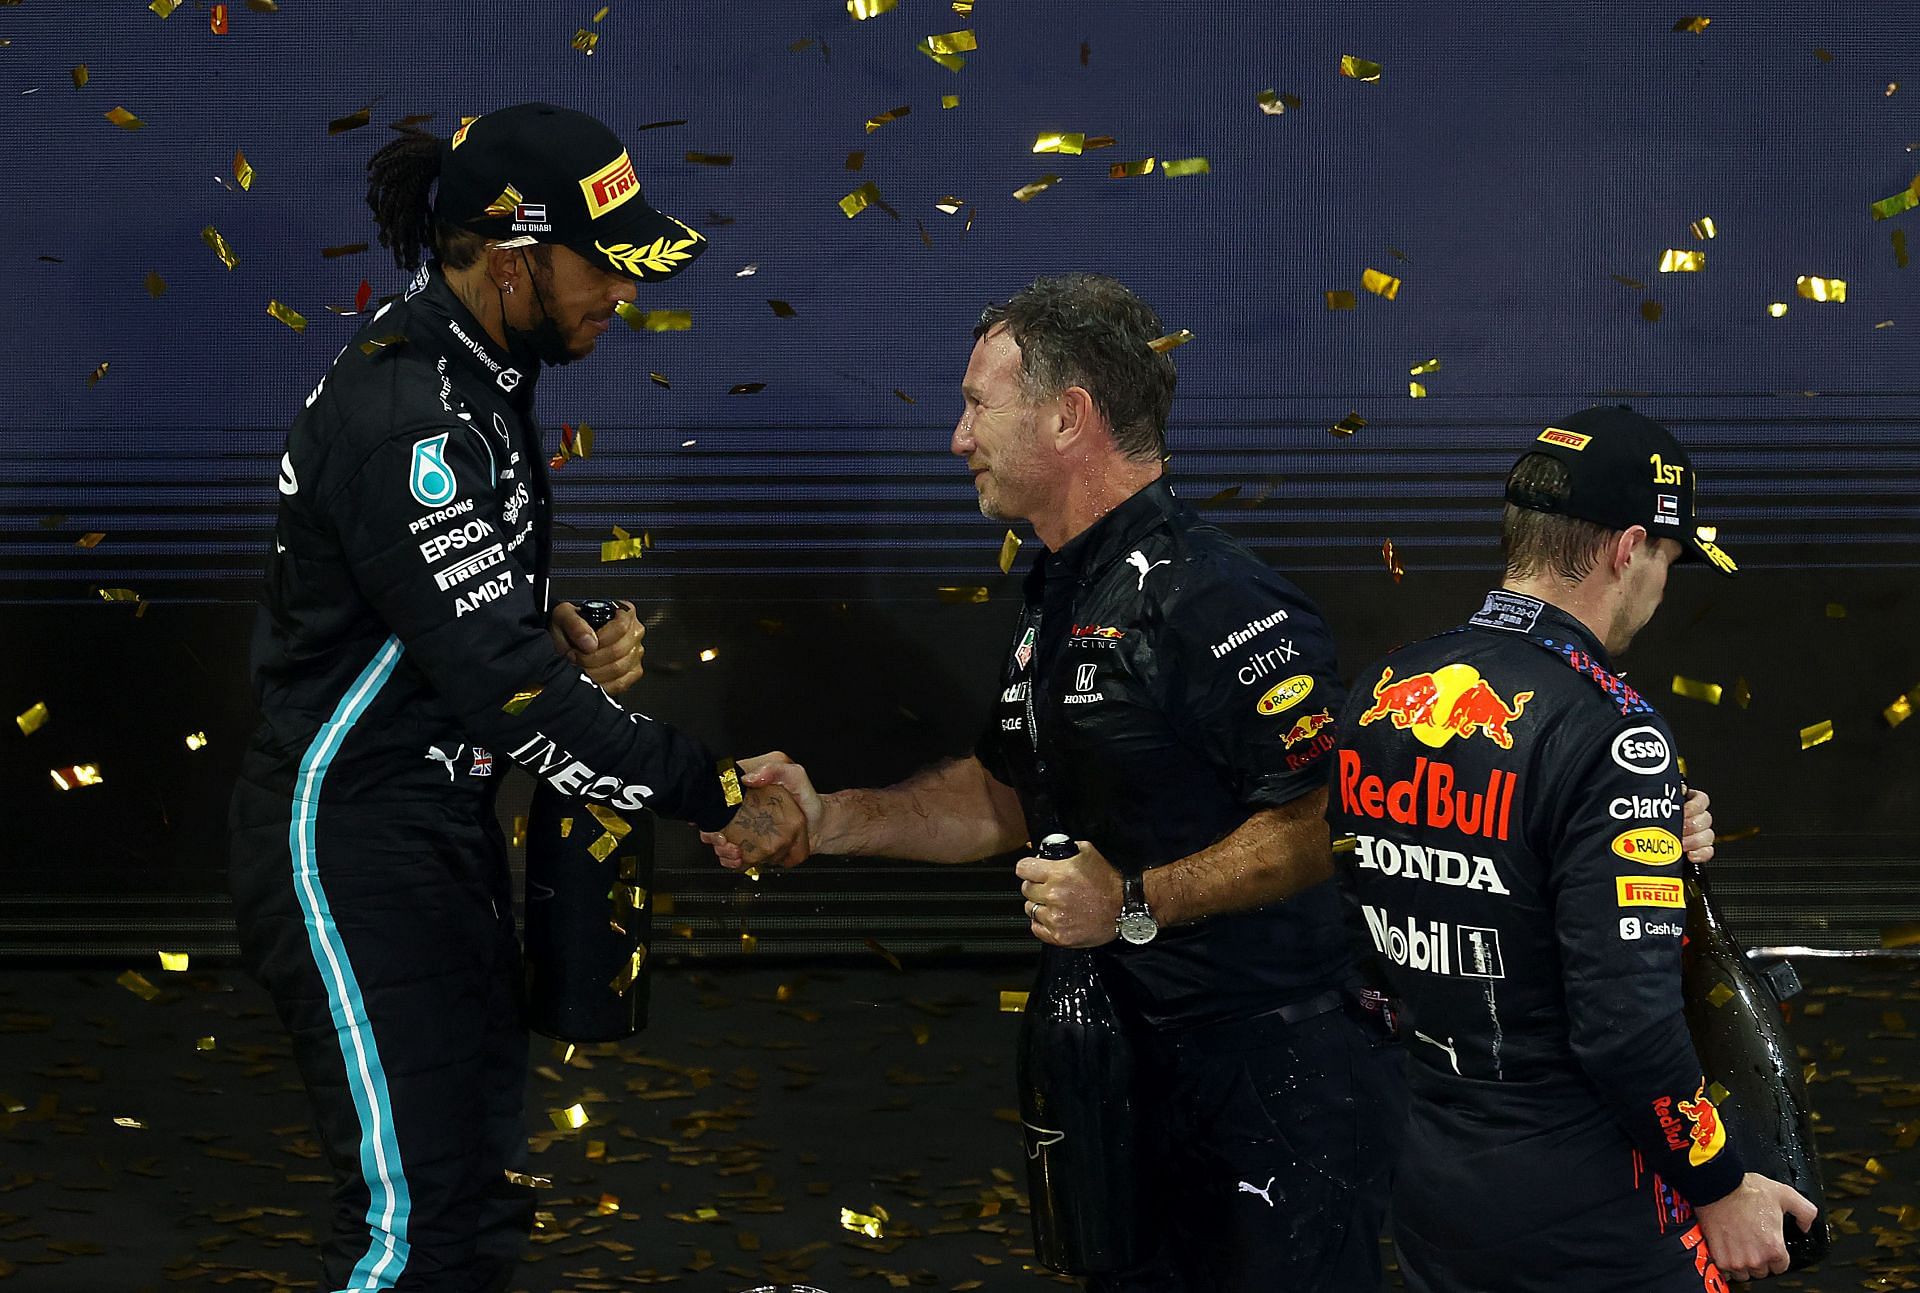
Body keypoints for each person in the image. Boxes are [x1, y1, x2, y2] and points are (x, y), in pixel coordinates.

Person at [706, 274, 1408, 1292]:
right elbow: (1004, 798)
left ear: (1068, 416)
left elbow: (1327, 815)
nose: (958, 438)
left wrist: (1130, 903)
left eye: (978, 406)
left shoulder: (1216, 596)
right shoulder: (1060, 594)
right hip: (1124, 1071)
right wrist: (834, 819)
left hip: (1274, 1083)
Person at [227, 103, 803, 1292]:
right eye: (606, 262)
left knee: (469, 1215)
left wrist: (547, 633)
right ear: (512, 255)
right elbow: (509, 700)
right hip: (346, 847)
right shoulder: (415, 416)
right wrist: (717, 788)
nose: (623, 292)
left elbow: (429, 625)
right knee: (416, 1229)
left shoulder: (469, 375)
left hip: (424, 838)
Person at [1326, 405, 1817, 1291]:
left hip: (1430, 1180)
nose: (1663, 586)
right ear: (1629, 547)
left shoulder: (1384, 686)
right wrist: (1718, 1184)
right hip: (1588, 1204)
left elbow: (1372, 950)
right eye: (1668, 558)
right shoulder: (1610, 729)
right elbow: (1626, 1029)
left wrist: (1646, 855)